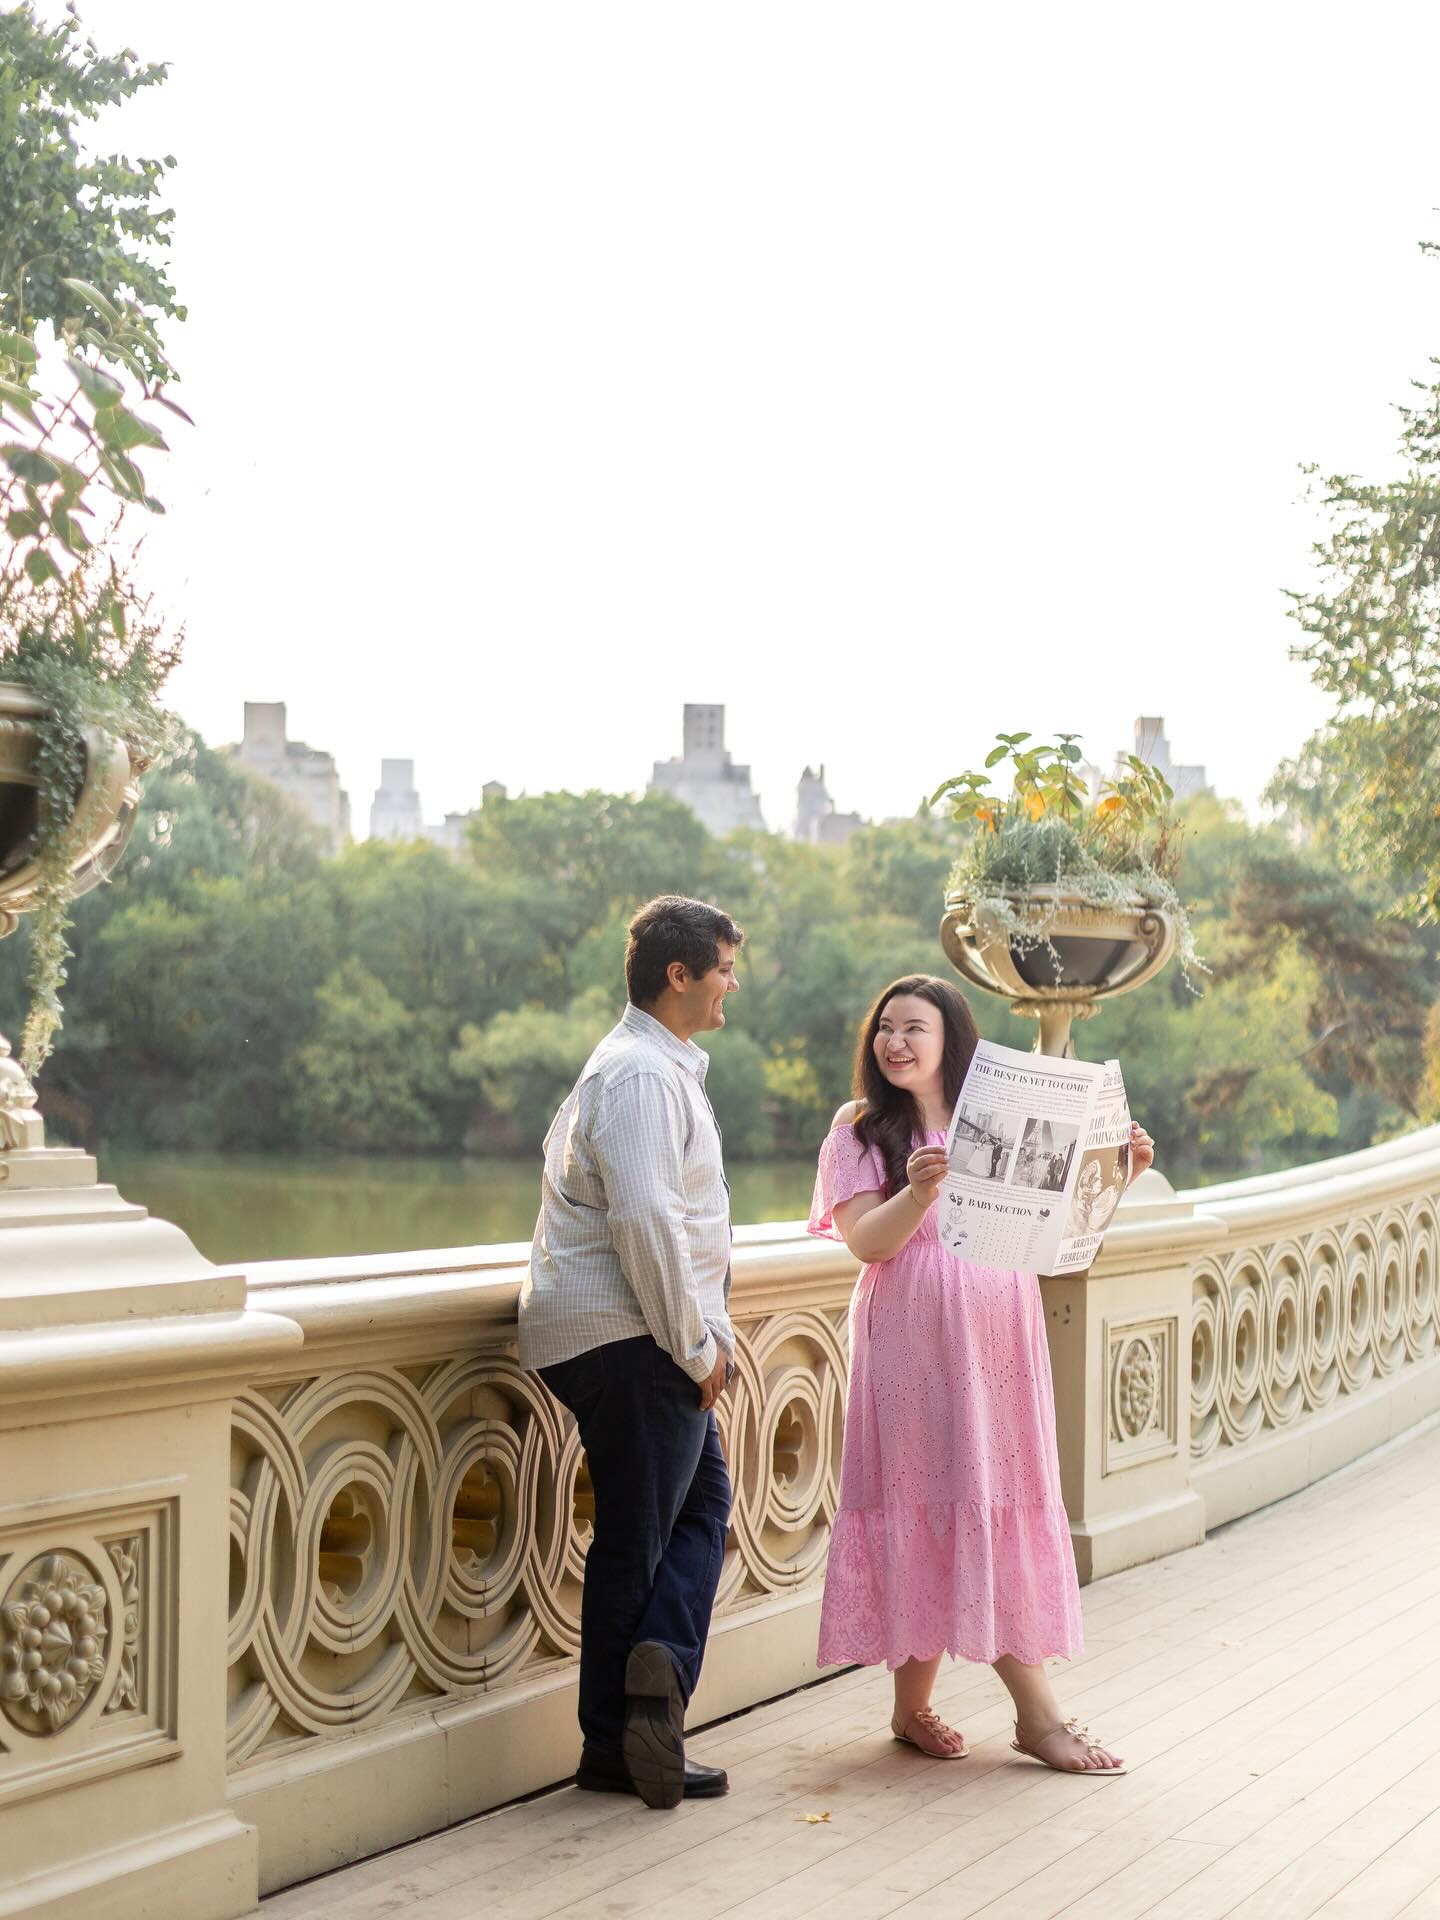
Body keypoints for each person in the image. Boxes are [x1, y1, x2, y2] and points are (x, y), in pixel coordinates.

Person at [809, 974, 1154, 1774]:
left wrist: (1121, 1174)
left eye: (913, 1028)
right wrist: (922, 1192)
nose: (894, 1041)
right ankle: (1040, 1719)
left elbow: (1062, 1232)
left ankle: (910, 1709)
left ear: (950, 1040)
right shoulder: (857, 1132)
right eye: (885, 1027)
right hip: (912, 1340)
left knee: (984, 1493)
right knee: (934, 1493)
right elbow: (868, 1243)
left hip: (999, 1329)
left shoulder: (999, 1124)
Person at [518, 895, 742, 1810]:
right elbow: (648, 1216)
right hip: (633, 1339)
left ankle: (654, 1673)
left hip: (624, 1336)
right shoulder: (642, 1076)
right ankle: (617, 1739)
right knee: (637, 1542)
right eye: (724, 966)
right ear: (677, 975)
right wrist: (695, 1346)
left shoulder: (646, 1067)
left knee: (694, 1507)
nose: (734, 982)